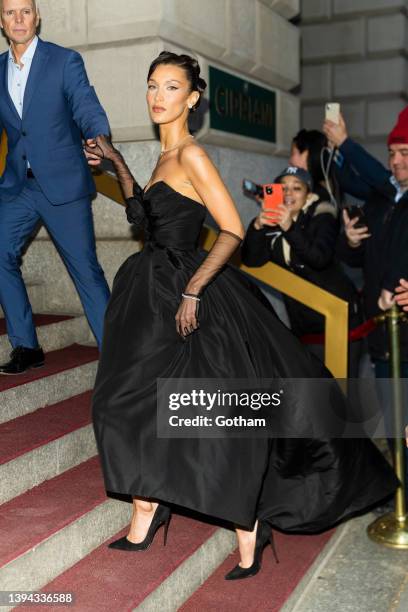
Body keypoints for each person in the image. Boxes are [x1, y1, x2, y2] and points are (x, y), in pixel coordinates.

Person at [89, 51, 397, 581]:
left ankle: (248, 526)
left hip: (186, 290)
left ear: (192, 99)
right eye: (152, 86)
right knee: (123, 403)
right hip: (147, 291)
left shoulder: (192, 155)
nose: (158, 96)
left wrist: (193, 290)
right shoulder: (165, 158)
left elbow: (232, 230)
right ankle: (145, 508)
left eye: (171, 88)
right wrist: (118, 164)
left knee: (215, 412)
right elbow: (147, 215)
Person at [0, 0, 110, 374]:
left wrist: (97, 138)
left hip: (62, 184)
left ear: (37, 17)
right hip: (19, 187)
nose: (18, 19)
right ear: (1, 20)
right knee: (0, 254)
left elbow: (86, 106)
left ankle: (118, 358)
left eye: (25, 11)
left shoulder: (64, 61)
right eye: (10, 12)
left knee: (86, 270)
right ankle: (26, 346)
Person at [324, 109, 408, 498]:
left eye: (405, 152)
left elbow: (374, 174)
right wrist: (352, 241)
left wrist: (345, 143)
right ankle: (402, 493)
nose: (395, 161)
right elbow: (353, 257)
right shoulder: (382, 201)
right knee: (394, 419)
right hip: (382, 333)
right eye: (392, 152)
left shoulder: (392, 191)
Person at [241, 166, 362, 377]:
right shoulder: (274, 220)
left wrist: (289, 227)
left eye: (296, 188)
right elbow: (252, 260)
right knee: (315, 393)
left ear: (308, 193)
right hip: (304, 324)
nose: (288, 194)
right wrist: (258, 225)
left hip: (339, 318)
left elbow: (318, 258)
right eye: (283, 188)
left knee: (342, 395)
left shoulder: (322, 215)